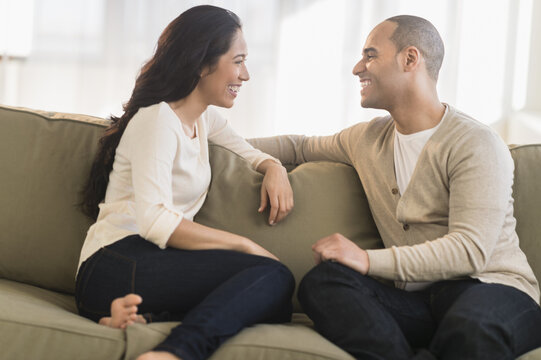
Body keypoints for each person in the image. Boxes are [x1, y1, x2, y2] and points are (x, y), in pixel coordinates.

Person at [249, 15, 541, 359]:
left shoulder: (474, 143)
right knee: (323, 282)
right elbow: (296, 147)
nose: (358, 67)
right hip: (418, 304)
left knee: (471, 327)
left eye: (370, 55)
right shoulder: (367, 138)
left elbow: (469, 251)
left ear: (410, 59)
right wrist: (240, 152)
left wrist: (366, 260)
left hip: (493, 291)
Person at [77, 5, 295, 360]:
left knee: (275, 299)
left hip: (147, 271)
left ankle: (141, 317)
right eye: (238, 61)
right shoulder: (157, 119)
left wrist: (275, 168)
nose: (246, 75)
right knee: (271, 276)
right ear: (201, 63)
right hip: (113, 263)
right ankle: (175, 353)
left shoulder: (203, 120)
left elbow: (250, 152)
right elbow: (155, 221)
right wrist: (242, 245)